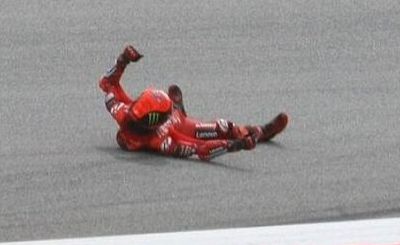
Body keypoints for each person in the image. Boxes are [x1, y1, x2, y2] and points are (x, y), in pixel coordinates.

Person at [99, 45, 288, 160]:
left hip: (174, 119)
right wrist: (234, 145)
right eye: (134, 121)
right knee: (223, 128)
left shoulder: (120, 110)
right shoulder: (164, 142)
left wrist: (123, 59)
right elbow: (201, 149)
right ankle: (260, 132)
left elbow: (107, 83)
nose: (126, 136)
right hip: (179, 126)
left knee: (224, 127)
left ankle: (179, 109)